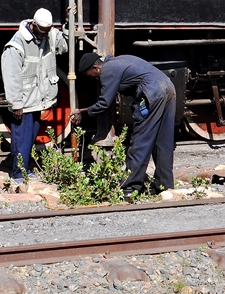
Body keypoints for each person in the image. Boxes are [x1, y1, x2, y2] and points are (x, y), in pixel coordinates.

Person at [71, 53, 177, 200]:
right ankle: (164, 185)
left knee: (141, 140)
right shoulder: (118, 61)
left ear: (96, 68)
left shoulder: (107, 70)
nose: (94, 79)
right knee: (163, 141)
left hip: (152, 92)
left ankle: (130, 188)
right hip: (168, 86)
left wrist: (84, 112)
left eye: (91, 75)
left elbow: (104, 103)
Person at [0, 7, 70, 183]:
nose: (46, 34)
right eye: (43, 31)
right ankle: (18, 173)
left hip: (38, 100)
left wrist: (69, 22)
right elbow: (11, 77)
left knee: (29, 138)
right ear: (34, 25)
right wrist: (16, 104)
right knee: (21, 138)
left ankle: (22, 169)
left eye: (48, 31)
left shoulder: (50, 35)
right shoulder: (16, 45)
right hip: (24, 102)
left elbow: (65, 45)